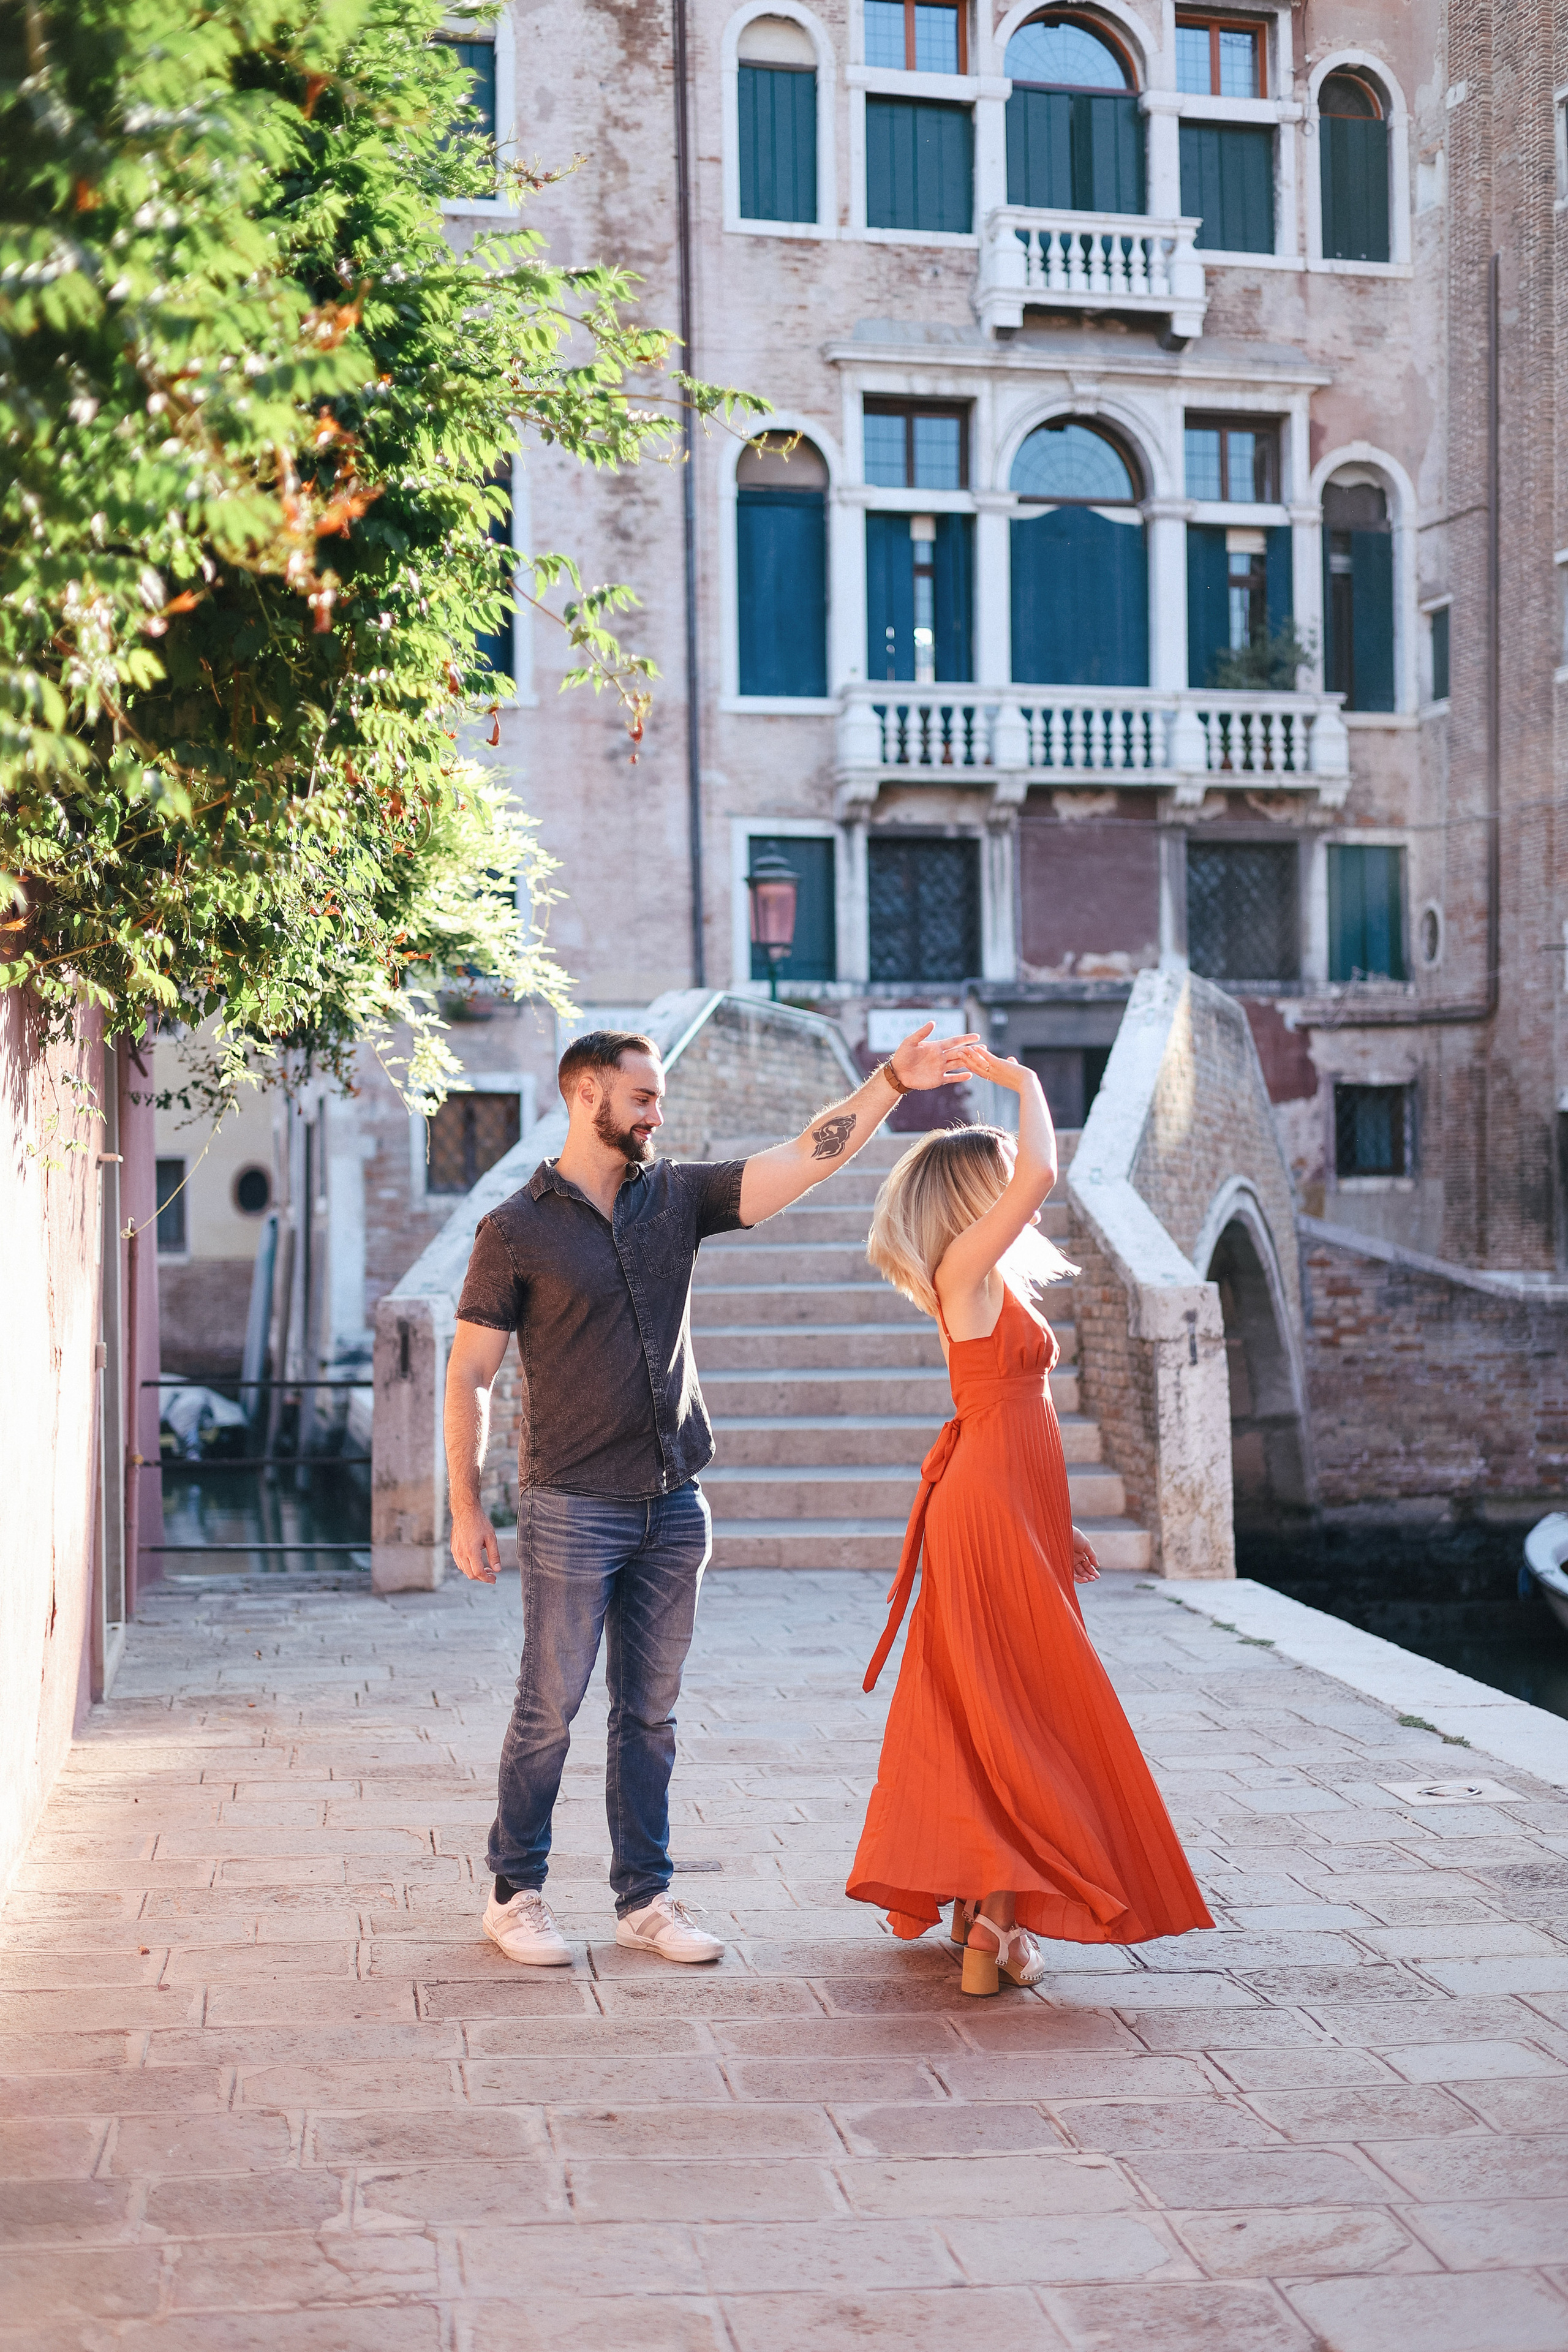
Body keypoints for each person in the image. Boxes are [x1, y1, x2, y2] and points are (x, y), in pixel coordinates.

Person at [445, 1019, 978, 1969]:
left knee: (650, 1714)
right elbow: (469, 1375)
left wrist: (892, 1081)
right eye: (642, 1097)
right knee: (549, 1709)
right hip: (571, 1505)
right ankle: (515, 1893)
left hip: (672, 1502)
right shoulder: (514, 1229)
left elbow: (805, 1159)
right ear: (585, 1096)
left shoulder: (680, 1198)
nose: (658, 1112)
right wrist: (462, 1505)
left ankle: (643, 1899)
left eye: (658, 1098)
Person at [847, 1042, 1213, 1995]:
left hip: (1010, 1505)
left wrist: (1062, 1525)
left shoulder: (986, 1281)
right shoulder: (962, 1266)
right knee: (1019, 1710)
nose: (1028, 1197)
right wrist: (1026, 1084)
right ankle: (995, 1926)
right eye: (1004, 1187)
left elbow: (1019, 1417)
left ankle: (988, 1927)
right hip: (984, 1505)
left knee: (1001, 1706)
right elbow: (1046, 1166)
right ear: (976, 1196)